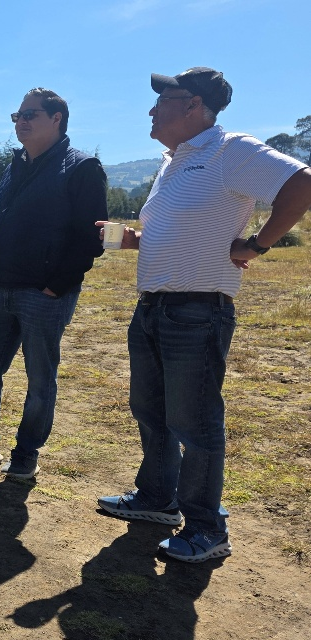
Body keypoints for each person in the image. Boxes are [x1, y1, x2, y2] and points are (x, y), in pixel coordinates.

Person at [97, 68, 311, 563]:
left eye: (162, 101)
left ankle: (207, 529)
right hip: (153, 306)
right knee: (151, 410)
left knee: (194, 422)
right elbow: (181, 229)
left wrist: (257, 244)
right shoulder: (174, 161)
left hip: (197, 310)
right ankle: (157, 499)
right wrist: (135, 240)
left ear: (193, 105)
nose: (151, 111)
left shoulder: (228, 149)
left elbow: (302, 183)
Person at [0, 88, 108, 479]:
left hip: (45, 294)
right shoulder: (15, 165)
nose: (21, 122)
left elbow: (91, 238)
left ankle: (27, 452)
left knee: (40, 378)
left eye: (30, 114)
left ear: (57, 118)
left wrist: (56, 285)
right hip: (0, 287)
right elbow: (16, 222)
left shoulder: (82, 167)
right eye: (17, 116)